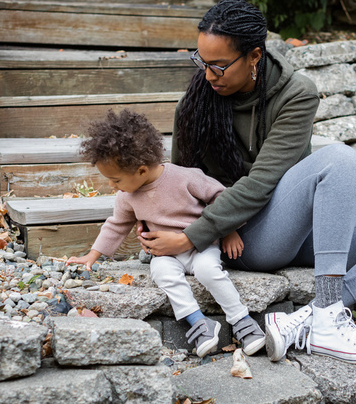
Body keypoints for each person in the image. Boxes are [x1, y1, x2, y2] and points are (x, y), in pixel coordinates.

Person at [136, 0, 356, 365]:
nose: (207, 75)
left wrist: (189, 236)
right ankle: (329, 320)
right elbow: (178, 182)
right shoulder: (197, 104)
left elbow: (264, 180)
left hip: (296, 226)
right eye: (201, 63)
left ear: (254, 56)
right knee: (340, 158)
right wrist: (190, 235)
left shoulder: (297, 93)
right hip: (238, 240)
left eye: (218, 65)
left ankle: (316, 314)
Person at [65, 109, 265, 358]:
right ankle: (200, 323)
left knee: (208, 271)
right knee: (161, 272)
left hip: (200, 246)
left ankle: (242, 321)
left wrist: (229, 231)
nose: (111, 185)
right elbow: (116, 225)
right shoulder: (127, 196)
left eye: (115, 180)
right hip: (165, 254)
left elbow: (222, 198)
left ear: (140, 171)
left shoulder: (186, 177)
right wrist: (92, 255)